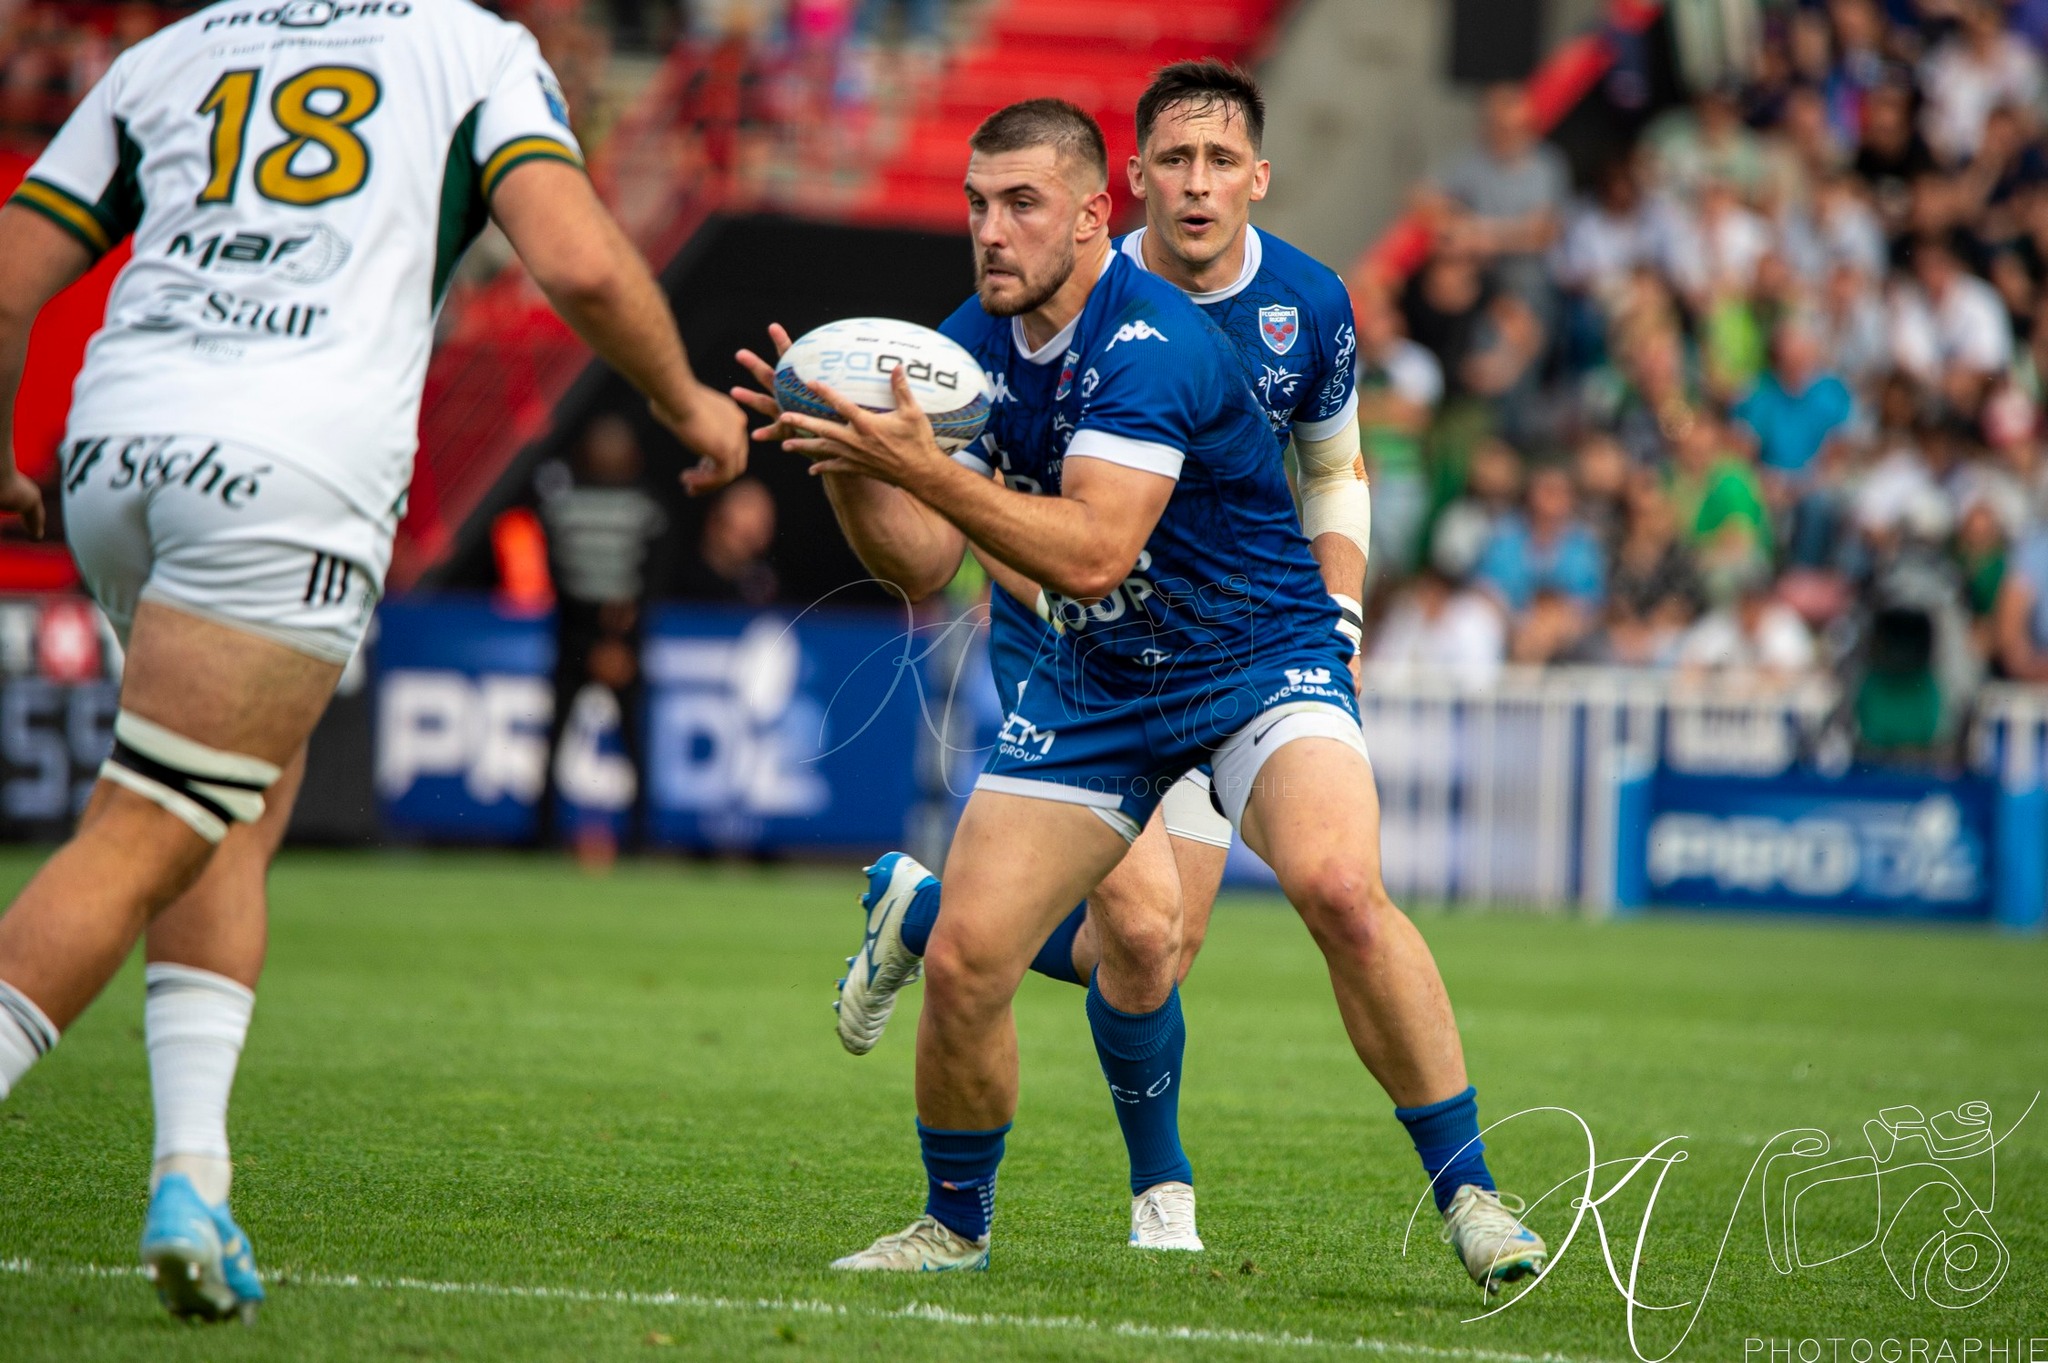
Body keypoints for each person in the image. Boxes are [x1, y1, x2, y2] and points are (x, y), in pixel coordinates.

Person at [0, 0, 746, 1323]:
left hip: (115, 450)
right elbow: (576, 264)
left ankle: (193, 1172)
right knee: (146, 823)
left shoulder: (171, 50)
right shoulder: (466, 46)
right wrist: (689, 402)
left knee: (221, 812)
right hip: (286, 462)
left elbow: (11, 271)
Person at [733, 96, 1545, 1289]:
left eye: (1020, 205)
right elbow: (914, 561)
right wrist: (853, 461)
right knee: (969, 961)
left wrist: (922, 469)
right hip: (1095, 678)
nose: (990, 232)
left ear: (1089, 217)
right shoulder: (969, 344)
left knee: (1335, 886)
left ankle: (1470, 1192)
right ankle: (953, 1225)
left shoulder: (1153, 341)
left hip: (1253, 653)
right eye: (975, 205)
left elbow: (1094, 551)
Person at [831, 61, 1373, 1257]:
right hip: (1071, 650)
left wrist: (1334, 614)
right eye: (1171, 161)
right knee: (1122, 921)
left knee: (1153, 943)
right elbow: (977, 530)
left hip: (1224, 650)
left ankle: (924, 915)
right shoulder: (1036, 304)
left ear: (1255, 178)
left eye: (1217, 160)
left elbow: (1332, 470)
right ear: (1127, 185)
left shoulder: (1308, 302)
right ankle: (1152, 1193)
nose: (1193, 183)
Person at [536, 415, 671, 862]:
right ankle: (544, 834)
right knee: (555, 735)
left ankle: (640, 837)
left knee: (634, 739)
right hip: (575, 636)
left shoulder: (644, 503)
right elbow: (558, 575)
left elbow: (652, 573)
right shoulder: (565, 501)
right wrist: (592, 640)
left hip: (626, 637)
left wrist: (620, 639)